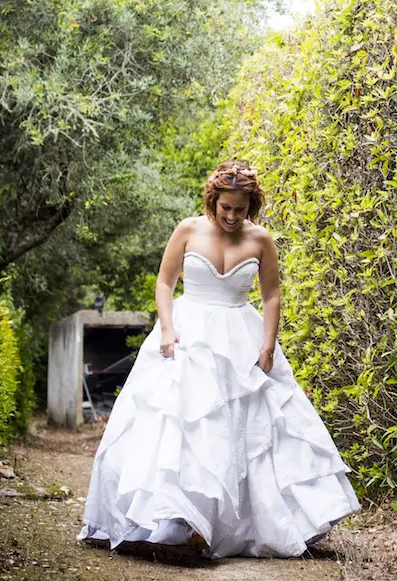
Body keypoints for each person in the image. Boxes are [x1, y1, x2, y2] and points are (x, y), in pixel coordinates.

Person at [78, 161, 359, 558]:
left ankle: (240, 525)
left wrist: (267, 346)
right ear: (213, 201)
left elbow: (271, 295)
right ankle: (175, 522)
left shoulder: (261, 239)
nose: (231, 216)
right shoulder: (188, 229)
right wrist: (168, 328)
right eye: (225, 207)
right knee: (182, 422)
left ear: (251, 206)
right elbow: (165, 283)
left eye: (240, 209)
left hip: (242, 336)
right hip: (189, 333)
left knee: (252, 427)